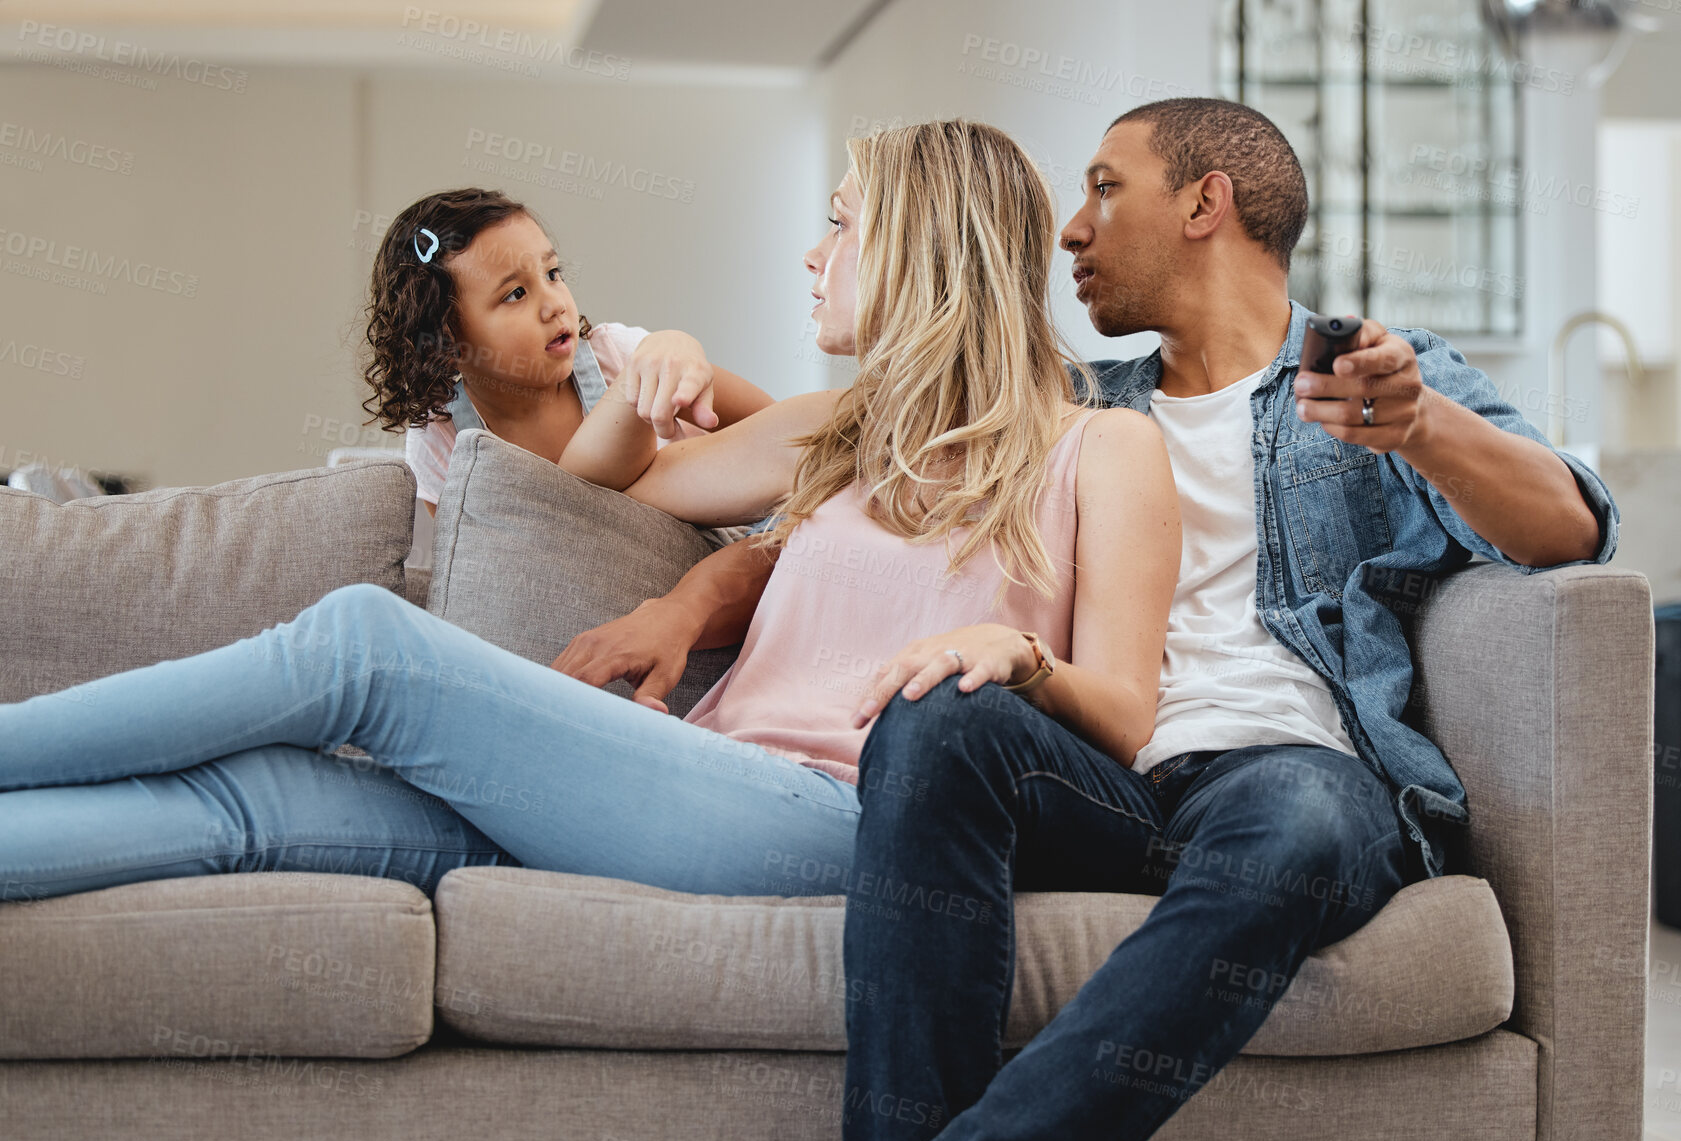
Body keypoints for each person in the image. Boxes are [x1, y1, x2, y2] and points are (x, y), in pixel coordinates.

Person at [555, 98, 1617, 1141]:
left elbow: (1571, 530)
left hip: (1273, 768)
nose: (1069, 229)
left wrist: (1422, 424)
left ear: (1206, 203)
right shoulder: (1054, 409)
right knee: (936, 722)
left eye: (1105, 189)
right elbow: (835, 522)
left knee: (1296, 816)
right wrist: (687, 600)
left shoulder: (1365, 380)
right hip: (1092, 769)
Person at [0, 122, 1179, 923]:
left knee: (364, 647)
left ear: (922, 247)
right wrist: (664, 375)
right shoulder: (838, 427)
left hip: (844, 821)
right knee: (253, 804)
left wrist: (1018, 661)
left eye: (840, 224)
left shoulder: (1105, 450)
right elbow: (602, 481)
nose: (811, 254)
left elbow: (1125, 717)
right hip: (690, 782)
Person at [360, 187, 772, 517]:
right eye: (515, 294)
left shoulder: (618, 356)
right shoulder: (442, 435)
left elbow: (768, 420)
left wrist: (677, 347)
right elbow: (472, 563)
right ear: (447, 342)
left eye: (553, 274)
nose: (555, 303)